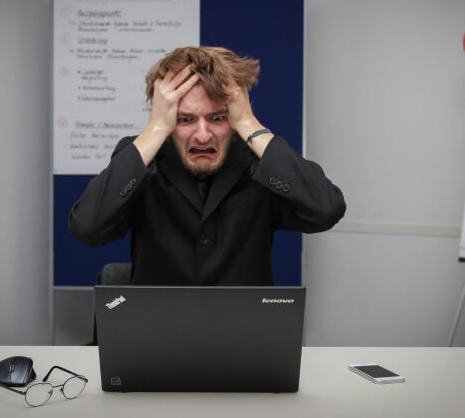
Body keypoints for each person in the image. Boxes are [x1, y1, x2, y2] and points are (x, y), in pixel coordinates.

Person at [69, 46, 345, 285]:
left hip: (244, 335)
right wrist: (155, 129)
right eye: (185, 119)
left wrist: (248, 124)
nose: (202, 135)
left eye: (217, 118)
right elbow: (88, 227)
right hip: (158, 335)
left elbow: (325, 210)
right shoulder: (143, 160)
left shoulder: (257, 161)